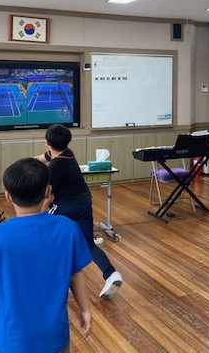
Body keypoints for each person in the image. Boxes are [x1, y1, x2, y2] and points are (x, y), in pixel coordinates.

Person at [0, 157, 92, 352]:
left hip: (13, 340)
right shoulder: (68, 229)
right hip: (54, 337)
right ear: (48, 191)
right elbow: (76, 273)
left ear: (8, 196)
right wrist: (84, 309)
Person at [36, 124, 123, 299]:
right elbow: (44, 157)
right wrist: (25, 162)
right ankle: (111, 274)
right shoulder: (67, 153)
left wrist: (39, 218)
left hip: (66, 207)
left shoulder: (55, 166)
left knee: (48, 240)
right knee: (88, 244)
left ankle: (51, 282)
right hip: (84, 203)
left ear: (47, 142)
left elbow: (48, 198)